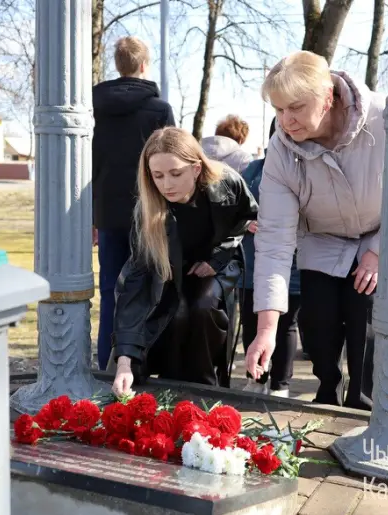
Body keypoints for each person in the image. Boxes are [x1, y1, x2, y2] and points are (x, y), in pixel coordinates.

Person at [245, 51, 384, 410]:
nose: (286, 121)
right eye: (278, 110)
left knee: (365, 322)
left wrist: (380, 251)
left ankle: (366, 408)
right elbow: (275, 239)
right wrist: (266, 330)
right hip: (321, 240)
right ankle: (326, 398)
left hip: (380, 236)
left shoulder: (385, 120)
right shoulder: (281, 149)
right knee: (318, 325)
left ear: (329, 96)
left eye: (295, 107)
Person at [110, 127, 258, 397]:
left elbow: (244, 217)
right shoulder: (147, 213)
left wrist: (218, 258)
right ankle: (171, 388)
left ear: (197, 169)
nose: (167, 184)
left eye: (175, 173)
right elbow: (135, 284)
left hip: (213, 266)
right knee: (174, 315)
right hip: (167, 271)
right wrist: (124, 361)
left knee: (202, 307)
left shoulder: (227, 181)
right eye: (158, 176)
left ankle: (205, 390)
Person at [92, 36, 175, 371]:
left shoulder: (94, 108)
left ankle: (105, 361)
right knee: (150, 287)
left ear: (118, 65)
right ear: (144, 65)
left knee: (112, 287)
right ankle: (143, 362)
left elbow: (91, 163)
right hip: (149, 211)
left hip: (108, 213)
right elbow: (170, 158)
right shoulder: (159, 109)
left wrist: (91, 216)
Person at [240, 118, 301, 398]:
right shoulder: (254, 169)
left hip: (293, 263)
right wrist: (246, 224)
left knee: (287, 324)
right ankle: (255, 378)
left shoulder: (306, 168)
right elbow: (237, 210)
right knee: (252, 322)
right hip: (254, 261)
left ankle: (280, 384)